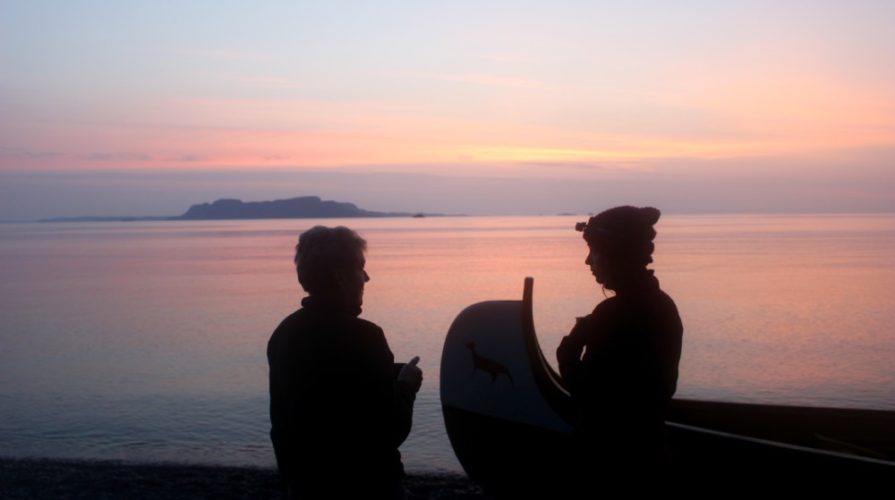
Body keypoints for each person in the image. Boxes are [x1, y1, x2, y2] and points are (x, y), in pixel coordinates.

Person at [268, 226, 423, 499]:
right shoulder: (365, 337)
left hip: (304, 485)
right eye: (360, 268)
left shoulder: (284, 334)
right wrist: (407, 386)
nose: (366, 277)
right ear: (340, 277)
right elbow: (390, 430)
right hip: (368, 485)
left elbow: (284, 421)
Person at [556, 206, 683, 478]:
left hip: (612, 459)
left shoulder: (613, 314)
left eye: (594, 251)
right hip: (652, 450)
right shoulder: (663, 304)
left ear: (616, 254)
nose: (588, 261)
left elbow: (590, 396)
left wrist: (568, 349)